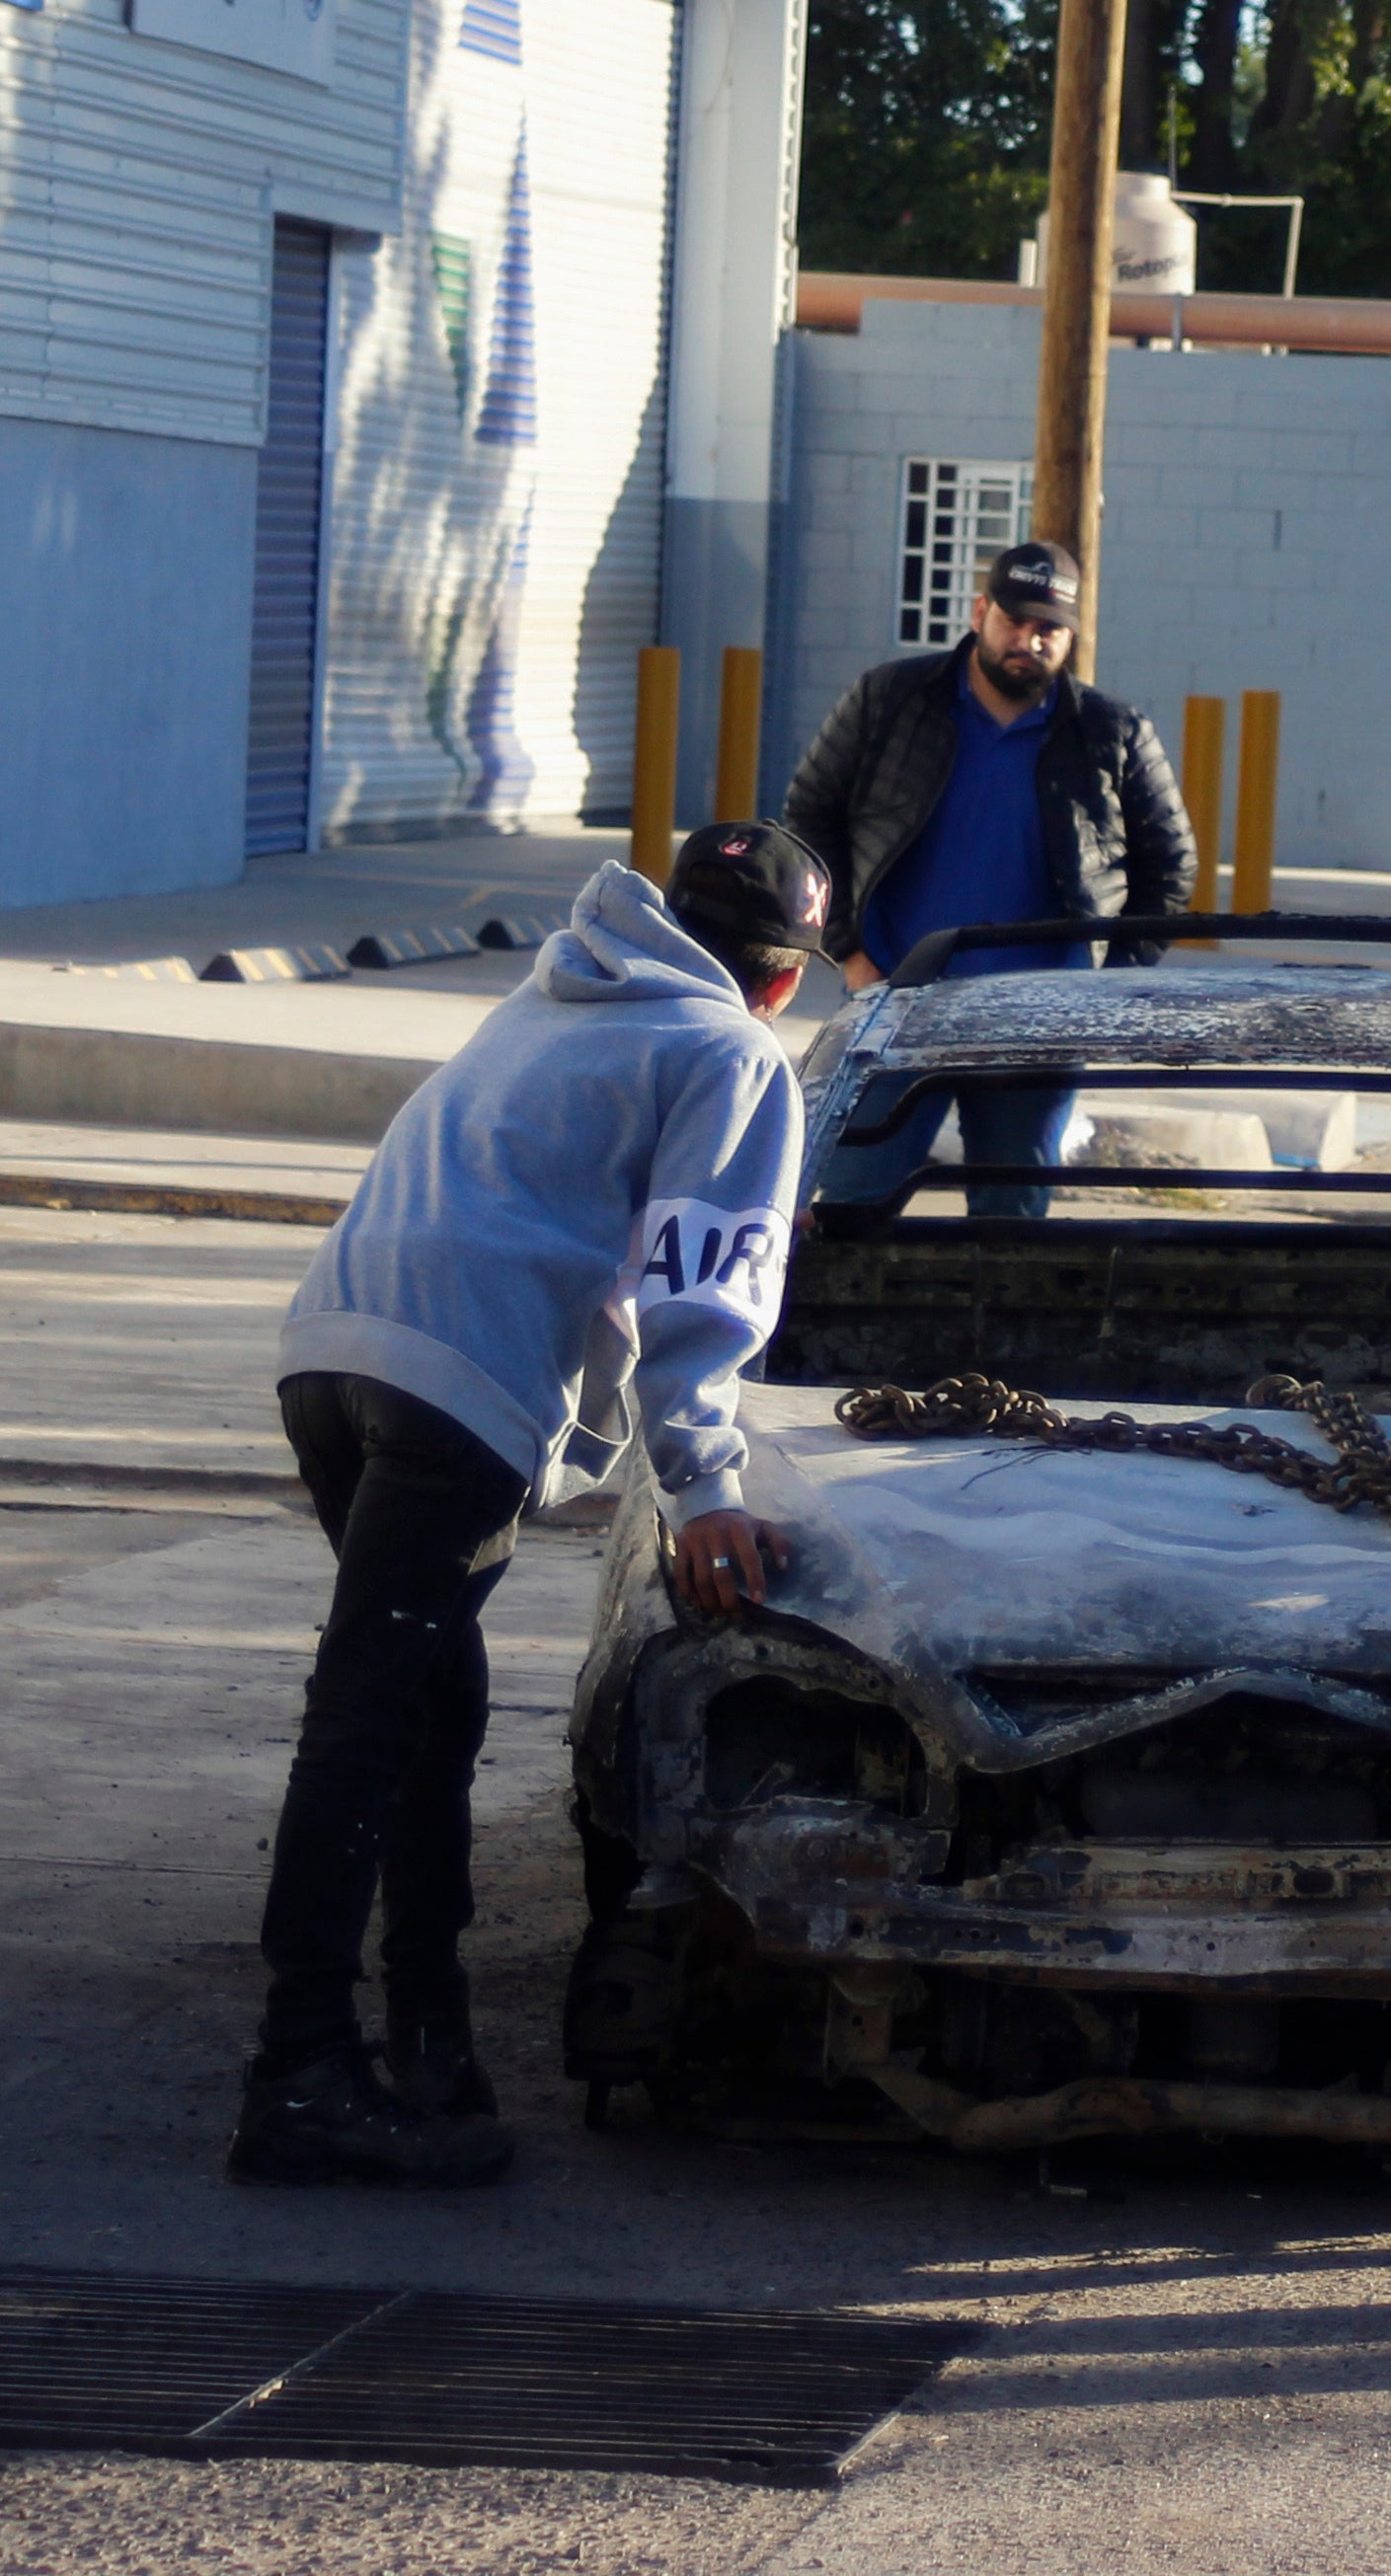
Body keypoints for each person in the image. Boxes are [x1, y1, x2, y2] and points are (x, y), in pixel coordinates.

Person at [235, 825, 828, 2188]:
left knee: (429, 1703)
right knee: (369, 1718)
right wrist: (706, 1489)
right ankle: (300, 2070)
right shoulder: (733, 1051)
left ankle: (429, 2034)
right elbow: (703, 1294)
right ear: (788, 981)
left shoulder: (561, 978)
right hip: (462, 1383)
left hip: (334, 1348)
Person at [782, 539, 1194, 1216]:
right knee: (852, 1208)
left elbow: (1171, 865)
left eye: (1049, 630)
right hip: (896, 1005)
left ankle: (996, 1328)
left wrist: (1109, 982)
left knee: (1011, 1225)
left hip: (1038, 1023)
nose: (1028, 641)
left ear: (1070, 639)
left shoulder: (1111, 732)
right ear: (979, 613)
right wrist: (850, 952)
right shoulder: (889, 701)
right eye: (1014, 621)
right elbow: (807, 819)